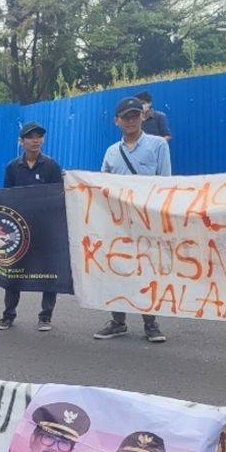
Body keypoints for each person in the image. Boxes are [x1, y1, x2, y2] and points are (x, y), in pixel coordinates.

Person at [93, 97, 169, 343]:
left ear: (143, 117)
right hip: (118, 223)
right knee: (118, 269)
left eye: (135, 115)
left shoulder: (158, 145)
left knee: (147, 270)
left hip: (147, 220)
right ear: (117, 121)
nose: (130, 120)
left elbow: (165, 183)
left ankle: (151, 323)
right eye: (125, 117)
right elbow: (103, 184)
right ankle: (118, 321)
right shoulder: (111, 152)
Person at [0, 121, 65, 332]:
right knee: (13, 272)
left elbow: (59, 196)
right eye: (30, 137)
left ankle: (45, 316)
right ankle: (8, 315)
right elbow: (6, 198)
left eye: (39, 136)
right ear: (21, 141)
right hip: (19, 231)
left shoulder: (52, 166)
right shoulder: (12, 167)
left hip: (46, 229)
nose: (35, 140)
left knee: (49, 272)